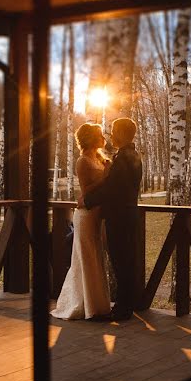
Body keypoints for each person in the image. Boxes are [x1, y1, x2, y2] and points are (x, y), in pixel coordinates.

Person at [50, 123, 112, 320]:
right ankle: (85, 306)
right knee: (86, 258)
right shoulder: (82, 161)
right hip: (85, 215)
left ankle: (98, 305)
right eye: (100, 134)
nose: (104, 137)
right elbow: (86, 191)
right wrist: (107, 176)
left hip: (97, 215)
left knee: (96, 257)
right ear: (90, 138)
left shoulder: (100, 157)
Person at [84, 117, 142, 321]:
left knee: (121, 262)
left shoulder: (125, 158)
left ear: (123, 134)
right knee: (125, 261)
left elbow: (113, 189)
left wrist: (87, 200)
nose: (111, 135)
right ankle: (126, 305)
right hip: (126, 215)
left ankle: (123, 308)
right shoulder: (129, 155)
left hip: (120, 217)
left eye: (114, 131)